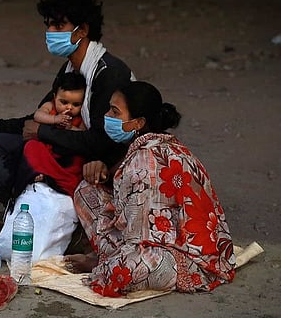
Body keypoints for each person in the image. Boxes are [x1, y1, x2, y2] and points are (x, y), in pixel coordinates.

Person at [0, 0, 135, 235]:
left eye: (58, 26)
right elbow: (36, 118)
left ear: (82, 31)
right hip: (68, 142)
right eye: (49, 25)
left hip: (96, 160)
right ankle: (29, 206)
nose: (50, 33)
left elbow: (103, 141)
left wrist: (43, 133)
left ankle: (32, 218)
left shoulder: (108, 74)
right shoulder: (70, 69)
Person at [64, 81, 236, 297]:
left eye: (115, 112)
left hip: (184, 258)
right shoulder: (163, 146)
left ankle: (103, 261)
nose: (107, 115)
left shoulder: (143, 162)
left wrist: (101, 262)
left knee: (123, 269)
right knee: (86, 191)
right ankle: (106, 259)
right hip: (160, 239)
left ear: (138, 123)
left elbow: (139, 240)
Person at [13, 71, 86, 199]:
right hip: (48, 152)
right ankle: (40, 173)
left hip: (65, 157)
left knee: (79, 161)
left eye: (76, 104)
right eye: (63, 102)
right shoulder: (50, 106)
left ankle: (56, 180)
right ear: (54, 97)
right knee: (32, 146)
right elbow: (37, 115)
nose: (69, 108)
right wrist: (55, 119)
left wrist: (71, 128)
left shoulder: (81, 118)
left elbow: (83, 135)